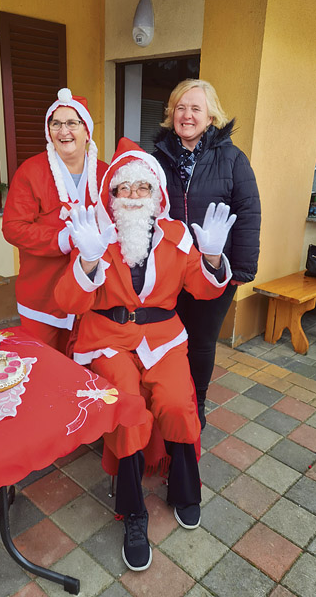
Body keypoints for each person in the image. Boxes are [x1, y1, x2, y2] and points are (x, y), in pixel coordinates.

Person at [55, 137, 236, 572]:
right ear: (111, 194)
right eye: (124, 188)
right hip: (107, 337)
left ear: (157, 194)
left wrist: (212, 258)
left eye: (142, 188)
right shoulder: (97, 236)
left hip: (163, 338)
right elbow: (67, 302)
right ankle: (133, 513)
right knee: (129, 406)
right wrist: (88, 264)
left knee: (176, 401)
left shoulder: (177, 238)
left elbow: (203, 289)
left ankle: (184, 487)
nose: (133, 196)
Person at [153, 79, 261, 428]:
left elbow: (249, 212)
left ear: (211, 115)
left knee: (200, 342)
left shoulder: (232, 159)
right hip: (170, 270)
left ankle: (194, 407)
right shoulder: (158, 158)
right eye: (180, 107)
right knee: (172, 339)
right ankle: (172, 402)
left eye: (195, 108)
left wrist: (241, 269)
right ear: (171, 114)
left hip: (215, 269)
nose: (187, 115)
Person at [2, 88, 108, 353]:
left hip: (92, 296)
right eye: (56, 123)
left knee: (85, 372)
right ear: (49, 131)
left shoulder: (105, 172)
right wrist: (63, 238)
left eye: (72, 123)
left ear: (87, 131)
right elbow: (13, 228)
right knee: (44, 369)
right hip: (42, 296)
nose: (64, 131)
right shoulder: (31, 171)